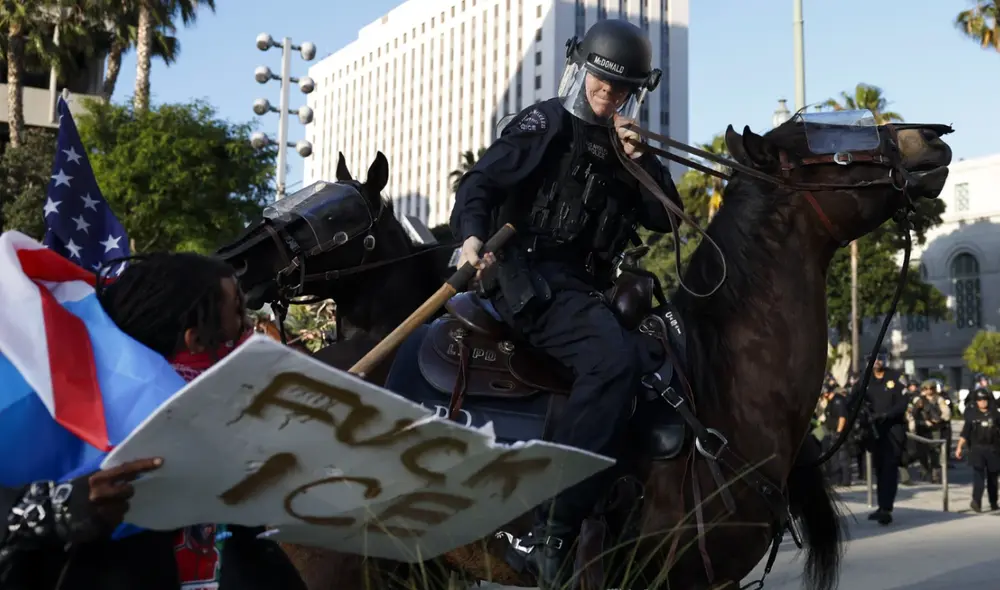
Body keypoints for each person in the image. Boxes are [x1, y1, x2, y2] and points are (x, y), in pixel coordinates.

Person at [450, 18, 681, 588]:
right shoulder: (544, 122)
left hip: (591, 287)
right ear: (581, 70)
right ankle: (552, 525)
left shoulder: (626, 143)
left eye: (623, 89)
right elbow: (477, 184)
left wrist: (643, 159)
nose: (611, 96)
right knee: (611, 361)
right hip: (531, 277)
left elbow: (669, 216)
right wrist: (471, 236)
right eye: (603, 83)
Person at [2, 253, 306, 590]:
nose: (251, 326)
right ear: (195, 340)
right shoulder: (25, 403)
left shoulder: (200, 425)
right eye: (238, 311)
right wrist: (61, 506)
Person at [860, 347, 908, 525]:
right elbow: (854, 398)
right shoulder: (866, 379)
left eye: (880, 358)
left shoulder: (895, 377)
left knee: (889, 469)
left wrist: (885, 415)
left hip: (893, 431)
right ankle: (881, 506)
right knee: (879, 470)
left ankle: (887, 508)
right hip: (874, 431)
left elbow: (903, 403)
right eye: (873, 358)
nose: (876, 361)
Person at [955, 388, 1000, 512]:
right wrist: (959, 447)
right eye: (980, 400)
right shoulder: (972, 415)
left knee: (993, 478)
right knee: (978, 477)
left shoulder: (995, 414)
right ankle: (976, 501)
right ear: (976, 401)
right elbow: (965, 433)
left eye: (985, 399)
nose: (982, 402)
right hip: (977, 449)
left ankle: (993, 501)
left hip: (993, 449)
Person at [908, 380, 951, 483]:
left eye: (931, 388)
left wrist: (939, 420)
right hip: (922, 428)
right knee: (922, 452)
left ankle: (935, 475)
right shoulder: (919, 400)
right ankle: (924, 471)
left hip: (935, 428)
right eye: (926, 389)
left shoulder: (939, 399)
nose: (929, 391)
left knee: (935, 451)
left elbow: (947, 413)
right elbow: (911, 413)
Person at [821, 387, 852, 486]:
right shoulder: (831, 401)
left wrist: (839, 432)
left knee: (842, 457)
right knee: (834, 458)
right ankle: (836, 479)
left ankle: (845, 480)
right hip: (832, 431)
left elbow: (842, 418)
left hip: (839, 432)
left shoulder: (838, 400)